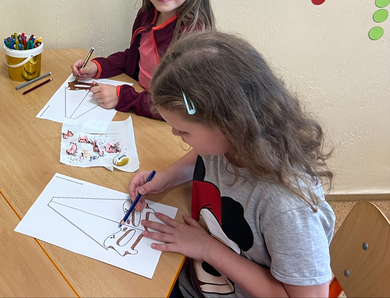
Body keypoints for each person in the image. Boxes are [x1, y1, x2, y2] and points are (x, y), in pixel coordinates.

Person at [129, 31, 335, 298]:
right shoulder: (229, 143)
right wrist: (167, 177)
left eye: (183, 131)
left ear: (230, 124)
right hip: (194, 272)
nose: (175, 134)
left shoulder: (287, 206)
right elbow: (202, 156)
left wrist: (207, 248)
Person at [71, 0, 214, 118]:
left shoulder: (194, 38)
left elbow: (183, 106)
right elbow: (134, 57)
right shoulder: (146, 15)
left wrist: (123, 97)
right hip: (141, 107)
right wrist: (98, 66)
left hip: (166, 124)